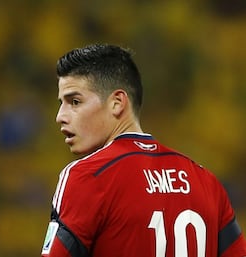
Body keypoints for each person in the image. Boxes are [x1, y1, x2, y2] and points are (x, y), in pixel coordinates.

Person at [40, 43, 246, 257]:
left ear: (117, 103)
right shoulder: (206, 182)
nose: (60, 116)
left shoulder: (88, 177)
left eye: (74, 101)